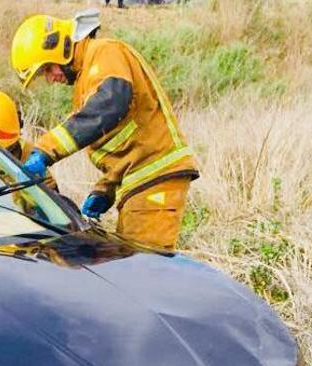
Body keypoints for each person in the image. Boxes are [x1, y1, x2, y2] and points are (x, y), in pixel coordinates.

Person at [10, 9, 198, 250]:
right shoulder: (87, 80)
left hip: (155, 179)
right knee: (133, 266)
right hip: (141, 183)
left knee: (146, 271)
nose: (50, 79)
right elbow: (125, 142)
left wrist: (46, 150)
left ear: (59, 47)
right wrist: (105, 190)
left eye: (47, 69)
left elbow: (110, 105)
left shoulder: (104, 52)